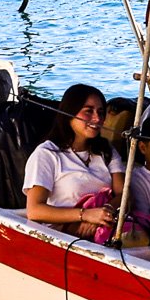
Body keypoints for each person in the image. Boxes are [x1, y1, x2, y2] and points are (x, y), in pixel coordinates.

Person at [22, 83, 116, 236]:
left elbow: (125, 195)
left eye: (100, 112)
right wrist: (85, 215)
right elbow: (34, 211)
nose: (97, 118)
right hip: (62, 235)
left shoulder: (106, 151)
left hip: (104, 226)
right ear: (70, 113)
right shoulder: (47, 154)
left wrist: (103, 215)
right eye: (88, 111)